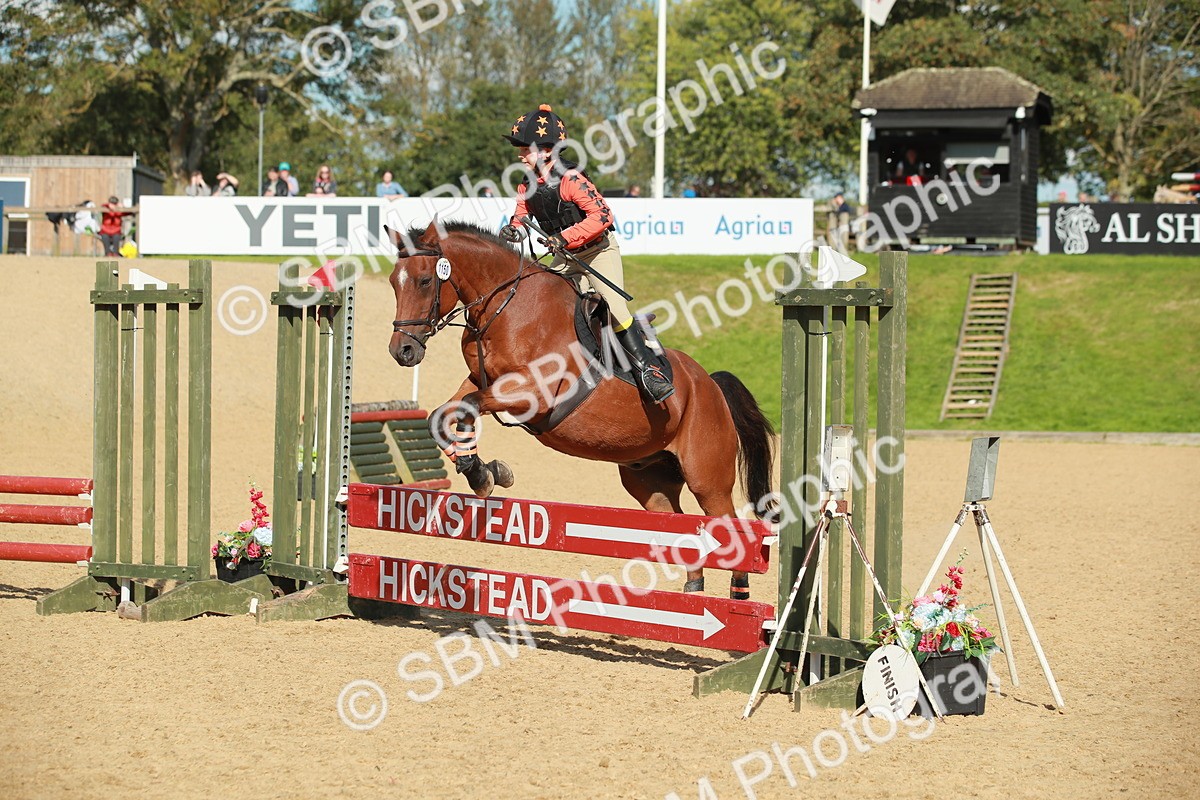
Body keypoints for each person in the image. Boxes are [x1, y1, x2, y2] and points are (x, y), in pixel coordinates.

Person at [498, 103, 674, 404]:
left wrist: (563, 237)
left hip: (597, 253)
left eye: (525, 149)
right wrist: (515, 230)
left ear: (546, 151)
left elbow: (604, 216)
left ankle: (649, 371)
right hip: (566, 258)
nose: (520, 154)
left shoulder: (571, 179)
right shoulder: (525, 184)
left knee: (615, 309)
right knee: (541, 299)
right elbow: (521, 216)